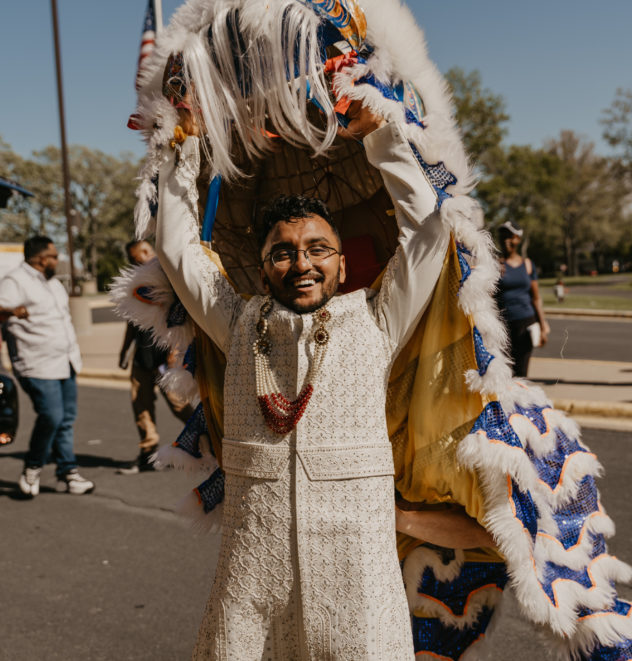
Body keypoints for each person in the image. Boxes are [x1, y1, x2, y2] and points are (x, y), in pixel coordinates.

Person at [155, 99, 495, 659]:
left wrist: (379, 137)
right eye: (283, 253)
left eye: (318, 249)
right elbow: (175, 247)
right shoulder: (235, 323)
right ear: (264, 269)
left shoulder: (378, 319)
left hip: (355, 581)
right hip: (255, 576)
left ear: (342, 263)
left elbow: (428, 230)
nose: (302, 263)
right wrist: (184, 147)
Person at [0, 236, 94, 497]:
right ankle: (33, 466)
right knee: (52, 416)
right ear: (42, 258)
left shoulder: (53, 283)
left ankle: (68, 473)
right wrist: (13, 312)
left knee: (66, 420)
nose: (58, 261)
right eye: (55, 256)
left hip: (66, 360)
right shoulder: (15, 281)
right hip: (37, 363)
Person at [116, 239, 192, 474]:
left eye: (142, 255)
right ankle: (147, 453)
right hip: (142, 357)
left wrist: (174, 353)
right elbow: (131, 322)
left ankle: (205, 440)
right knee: (141, 405)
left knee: (179, 405)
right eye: (134, 260)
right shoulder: (136, 284)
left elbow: (180, 318)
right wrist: (124, 349)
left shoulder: (169, 279)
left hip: (166, 355)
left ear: (150, 251)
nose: (140, 262)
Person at [493, 221, 550, 378]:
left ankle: (519, 402)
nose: (506, 240)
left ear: (518, 238)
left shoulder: (527, 265)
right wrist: (492, 271)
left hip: (526, 323)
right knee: (503, 371)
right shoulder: (493, 265)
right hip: (502, 326)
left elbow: (536, 298)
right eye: (503, 236)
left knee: (522, 371)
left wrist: (543, 326)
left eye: (510, 236)